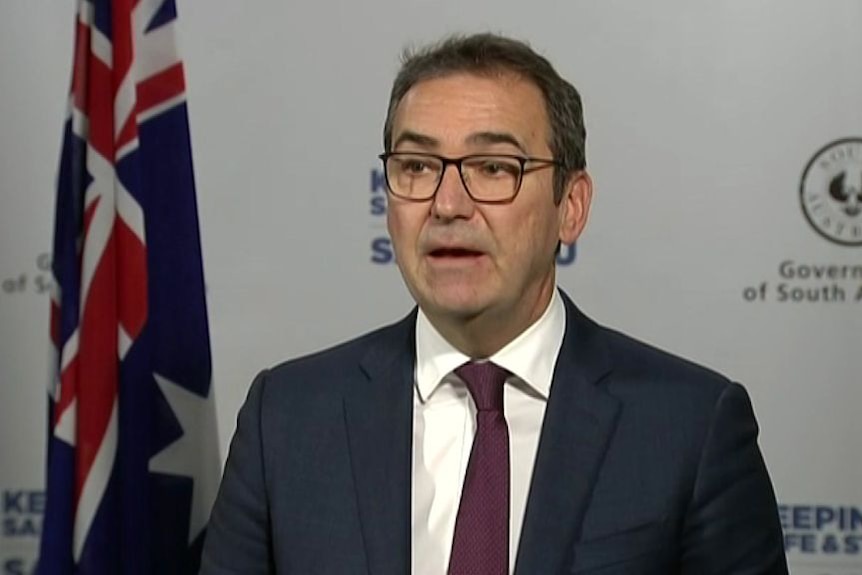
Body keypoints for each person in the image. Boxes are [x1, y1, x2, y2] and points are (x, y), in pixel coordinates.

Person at [200, 33, 788, 574]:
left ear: (571, 205)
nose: (448, 204)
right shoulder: (286, 419)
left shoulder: (689, 426)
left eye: (493, 168)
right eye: (417, 167)